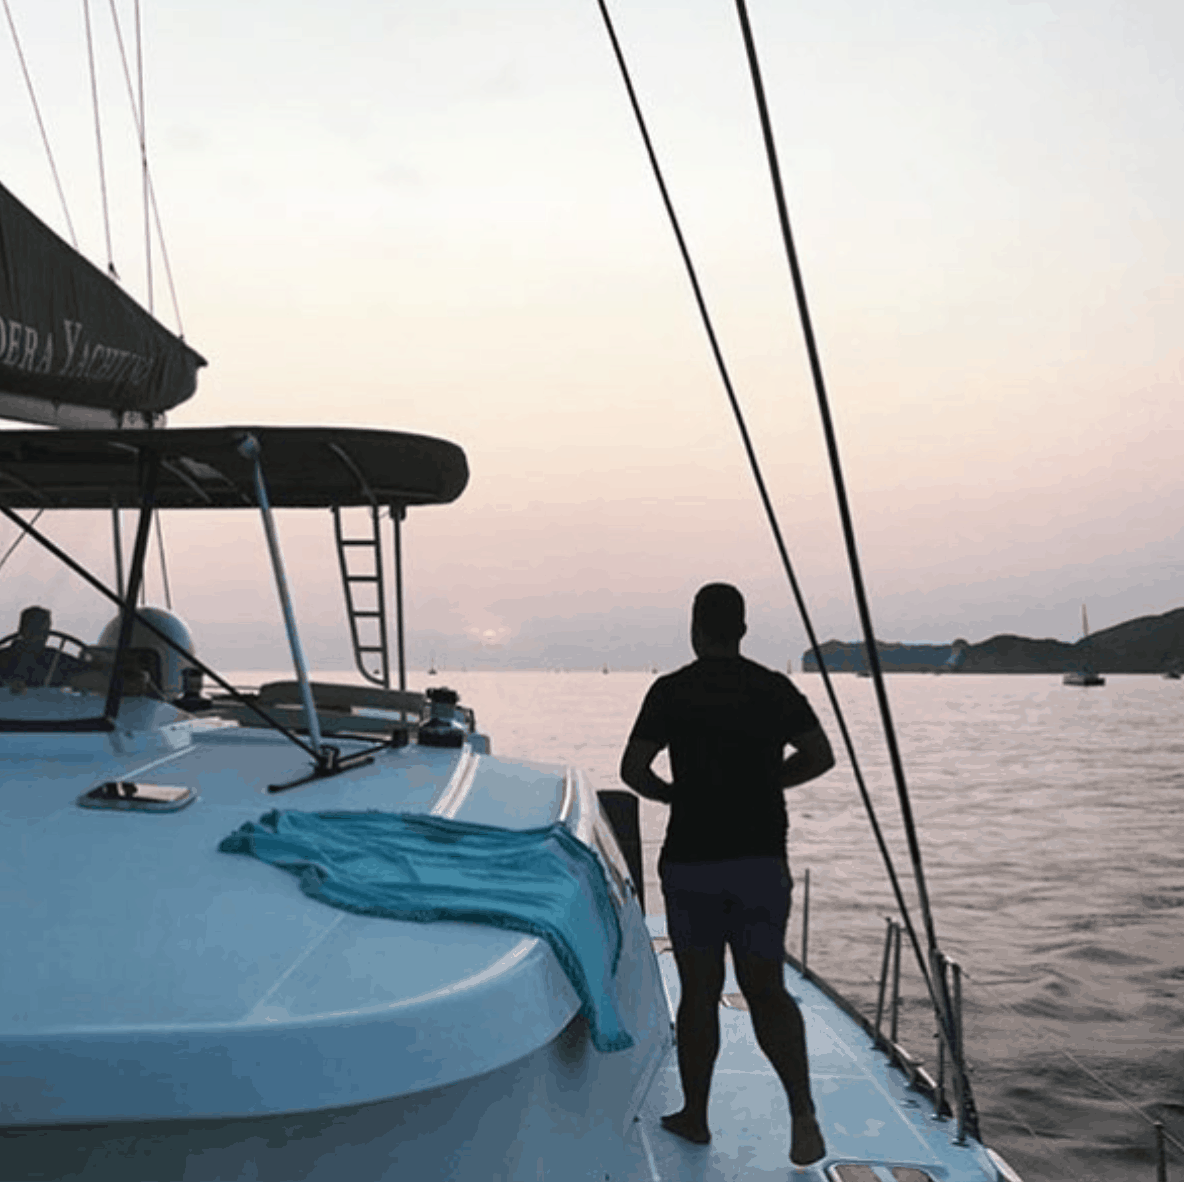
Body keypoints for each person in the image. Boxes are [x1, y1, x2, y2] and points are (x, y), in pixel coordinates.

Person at [619, 583, 835, 1167]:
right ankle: (802, 1114)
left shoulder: (672, 691)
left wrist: (674, 795)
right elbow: (820, 755)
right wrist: (768, 782)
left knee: (699, 991)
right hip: (760, 861)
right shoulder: (774, 688)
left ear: (695, 628)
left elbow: (633, 769)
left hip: (692, 861)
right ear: (742, 629)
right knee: (766, 988)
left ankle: (695, 1115)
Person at [0, 605, 56, 686]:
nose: (41, 637)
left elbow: (74, 676)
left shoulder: (56, 659)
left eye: (45, 632)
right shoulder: (4, 658)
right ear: (22, 629)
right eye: (36, 630)